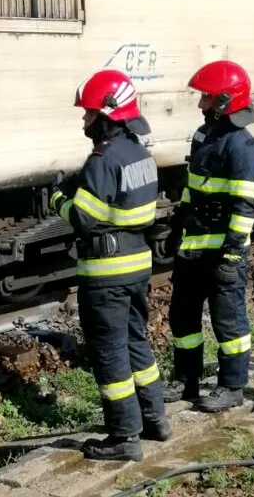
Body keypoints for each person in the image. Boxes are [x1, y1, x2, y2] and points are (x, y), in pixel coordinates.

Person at [50, 69, 172, 462]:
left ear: (107, 114)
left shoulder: (102, 160)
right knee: (136, 342)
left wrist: (57, 198)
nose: (84, 121)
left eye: (89, 114)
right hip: (137, 267)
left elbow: (83, 218)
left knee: (110, 352)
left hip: (106, 274)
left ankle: (124, 436)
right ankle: (155, 419)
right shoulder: (141, 155)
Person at [161, 60, 254, 413]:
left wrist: (233, 254)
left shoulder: (242, 148)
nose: (200, 104)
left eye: (206, 97)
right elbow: (193, 189)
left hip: (223, 253)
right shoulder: (204, 137)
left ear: (225, 101)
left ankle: (232, 386)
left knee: (228, 322)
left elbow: (245, 208)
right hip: (193, 249)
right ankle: (186, 379)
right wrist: (178, 227)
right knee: (183, 317)